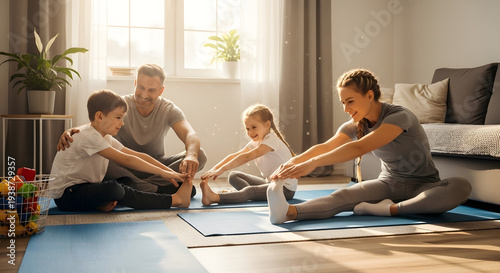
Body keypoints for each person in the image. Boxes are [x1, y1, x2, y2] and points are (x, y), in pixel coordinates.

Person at [267, 68, 472, 224]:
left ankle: (387, 210)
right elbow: (326, 146)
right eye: (343, 103)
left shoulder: (399, 116)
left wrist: (313, 164)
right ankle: (288, 213)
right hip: (388, 184)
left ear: (370, 96)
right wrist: (291, 163)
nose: (346, 108)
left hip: (424, 186)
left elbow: (359, 148)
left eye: (350, 101)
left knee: (460, 186)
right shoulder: (356, 123)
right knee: (342, 196)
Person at [57, 64, 206, 195]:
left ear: (161, 90)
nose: (144, 95)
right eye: (140, 87)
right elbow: (95, 126)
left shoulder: (168, 109)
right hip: (121, 165)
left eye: (151, 90)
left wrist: (191, 156)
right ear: (135, 83)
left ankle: (140, 187)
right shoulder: (121, 106)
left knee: (200, 155)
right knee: (104, 163)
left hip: (155, 164)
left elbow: (190, 134)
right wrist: (73, 131)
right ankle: (161, 189)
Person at [50, 89, 193, 212]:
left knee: (124, 183)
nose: (122, 123)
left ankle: (100, 204)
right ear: (99, 116)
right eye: (118, 117)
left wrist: (169, 173)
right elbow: (127, 160)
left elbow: (137, 155)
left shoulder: (104, 137)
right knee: (115, 189)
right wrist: (162, 172)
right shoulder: (89, 136)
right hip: (67, 196)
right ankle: (174, 200)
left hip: (87, 189)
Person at [200, 104, 297, 206]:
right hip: (270, 183)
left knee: (250, 191)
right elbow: (236, 155)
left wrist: (223, 169)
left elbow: (246, 157)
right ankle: (246, 195)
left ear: (267, 125)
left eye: (254, 127)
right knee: (234, 176)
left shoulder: (271, 141)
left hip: (284, 189)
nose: (250, 132)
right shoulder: (256, 142)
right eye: (247, 128)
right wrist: (213, 170)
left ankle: (214, 198)